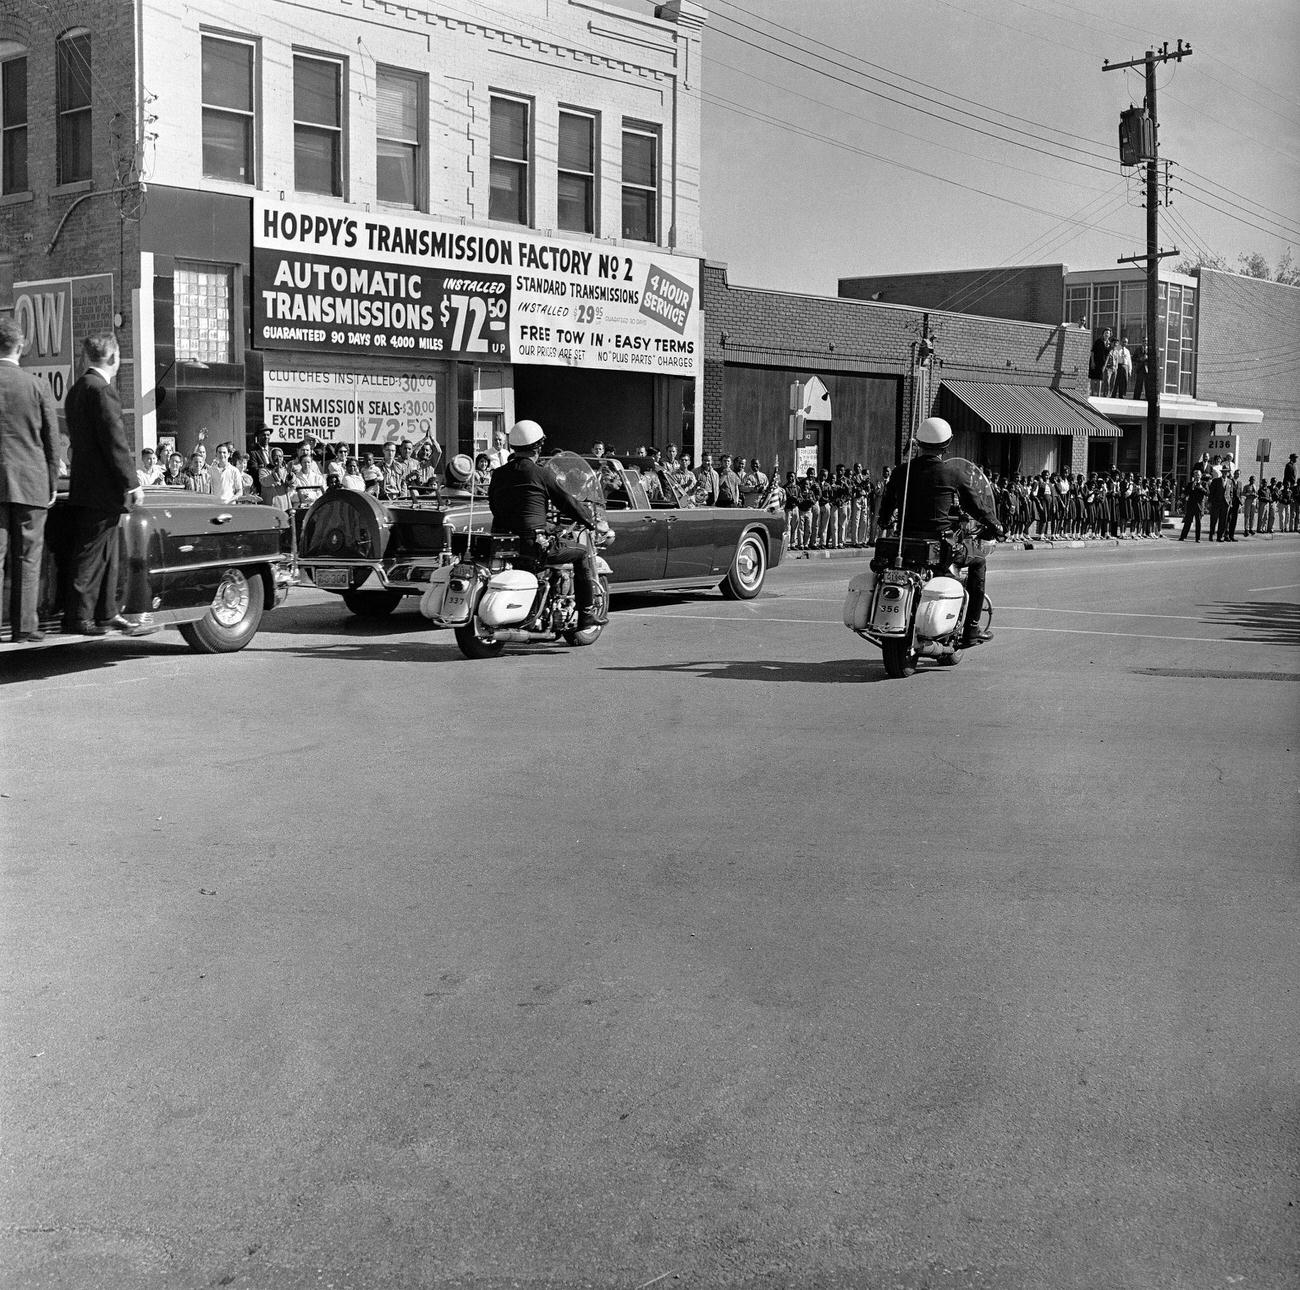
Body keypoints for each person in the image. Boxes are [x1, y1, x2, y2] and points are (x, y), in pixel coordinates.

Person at [875, 416, 1003, 649]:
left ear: (919, 443)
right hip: (942, 546)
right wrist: (995, 524)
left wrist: (883, 521)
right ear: (948, 443)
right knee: (979, 562)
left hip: (903, 543)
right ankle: (972, 630)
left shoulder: (901, 471)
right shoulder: (953, 473)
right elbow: (977, 506)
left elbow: (887, 505)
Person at [63, 333, 149, 636]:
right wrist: (132, 483)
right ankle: (82, 617)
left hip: (86, 484)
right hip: (103, 489)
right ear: (112, 358)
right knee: (91, 555)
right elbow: (116, 443)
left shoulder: (76, 390)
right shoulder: (103, 391)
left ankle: (107, 612)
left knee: (108, 553)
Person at [488, 419, 605, 630]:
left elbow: (495, 506)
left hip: (503, 544)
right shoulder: (541, 473)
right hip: (533, 544)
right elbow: (566, 501)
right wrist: (588, 519)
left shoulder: (498, 474)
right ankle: (587, 614)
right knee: (581, 554)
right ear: (538, 446)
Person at [0, 315, 60, 642]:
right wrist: (51, 481)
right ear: (21, 346)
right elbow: (52, 442)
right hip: (31, 482)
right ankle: (24, 627)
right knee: (28, 557)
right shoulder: (38, 385)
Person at [1178, 472, 1206, 542]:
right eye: (1195, 475)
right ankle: (1183, 536)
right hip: (1191, 505)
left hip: (1199, 505)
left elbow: (1207, 492)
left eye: (1198, 475)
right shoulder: (1190, 483)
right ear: (1193, 476)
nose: (1197, 476)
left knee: (1198, 522)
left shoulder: (1203, 483)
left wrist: (1201, 488)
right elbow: (1186, 492)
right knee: (1188, 521)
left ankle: (1198, 538)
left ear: (1201, 476)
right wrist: (1183, 495)